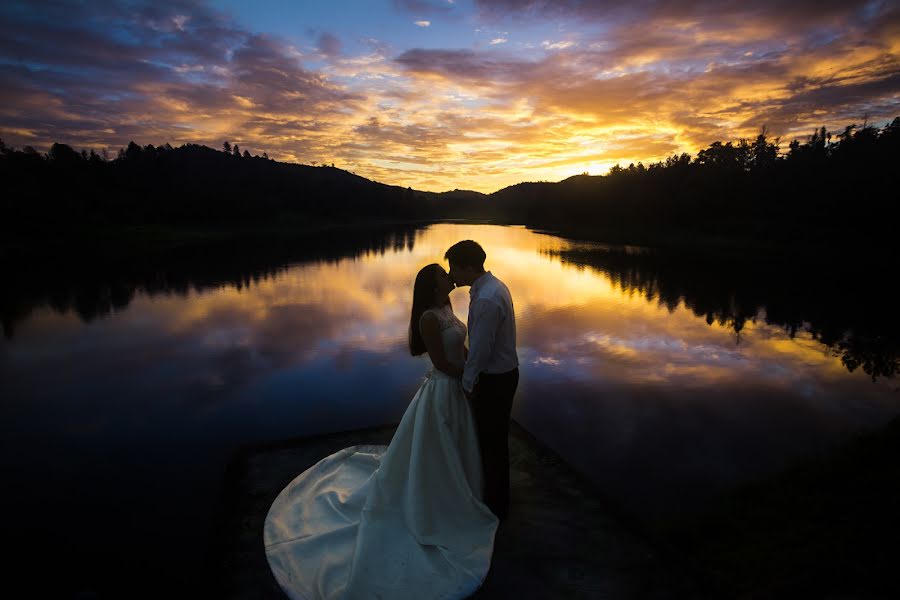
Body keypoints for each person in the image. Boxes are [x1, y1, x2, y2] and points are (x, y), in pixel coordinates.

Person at [264, 263, 498, 600]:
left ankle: (457, 489)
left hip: (458, 388)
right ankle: (429, 498)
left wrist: (474, 366)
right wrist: (468, 377)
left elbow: (459, 349)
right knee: (436, 445)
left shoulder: (447, 307)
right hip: (444, 389)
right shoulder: (428, 318)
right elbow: (440, 363)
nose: (450, 277)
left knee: (455, 444)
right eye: (443, 276)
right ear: (433, 285)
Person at [445, 240, 519, 522]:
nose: (451, 274)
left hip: (494, 380)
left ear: (468, 267)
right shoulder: (493, 286)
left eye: (454, 268)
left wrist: (467, 383)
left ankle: (496, 507)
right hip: (505, 374)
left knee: (491, 442)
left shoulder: (487, 298)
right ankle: (495, 498)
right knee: (495, 439)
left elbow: (480, 350)